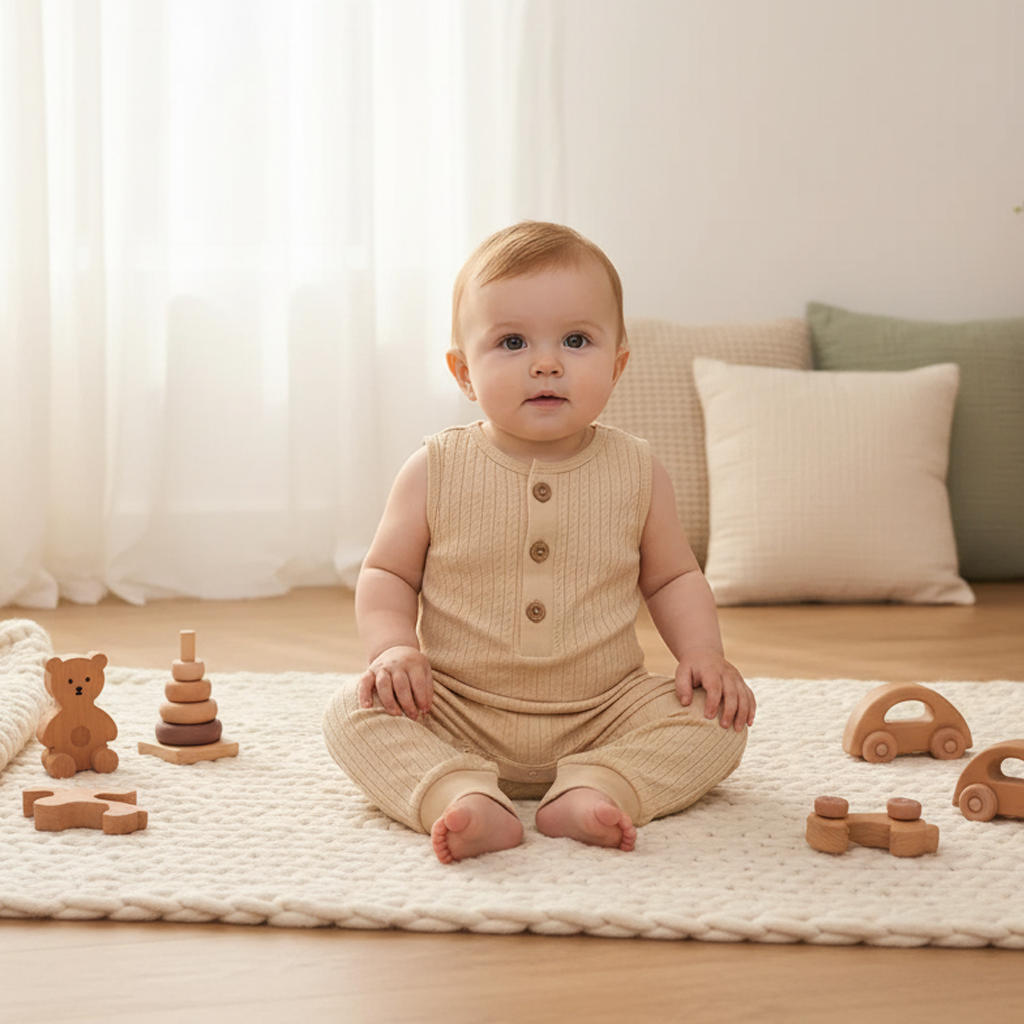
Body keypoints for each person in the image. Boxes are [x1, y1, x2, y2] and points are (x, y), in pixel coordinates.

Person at [323, 220, 755, 864]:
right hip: (457, 706)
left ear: (618, 365)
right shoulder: (434, 467)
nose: (546, 362)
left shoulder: (638, 470)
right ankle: (461, 793)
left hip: (603, 710)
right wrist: (393, 650)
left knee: (720, 721)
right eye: (513, 341)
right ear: (464, 372)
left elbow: (672, 579)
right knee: (349, 713)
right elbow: (386, 573)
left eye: (576, 340)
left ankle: (597, 786)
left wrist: (703, 653)